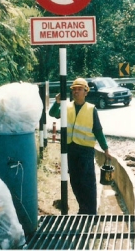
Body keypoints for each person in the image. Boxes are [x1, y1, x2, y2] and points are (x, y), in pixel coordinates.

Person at [49, 77, 111, 215]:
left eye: (79, 89)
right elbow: (53, 113)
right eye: (74, 89)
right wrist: (57, 102)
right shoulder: (67, 106)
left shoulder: (91, 109)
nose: (76, 92)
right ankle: (83, 209)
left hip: (85, 151)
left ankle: (91, 212)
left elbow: (98, 130)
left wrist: (105, 148)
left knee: (87, 182)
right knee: (75, 182)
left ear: (86, 92)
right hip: (70, 150)